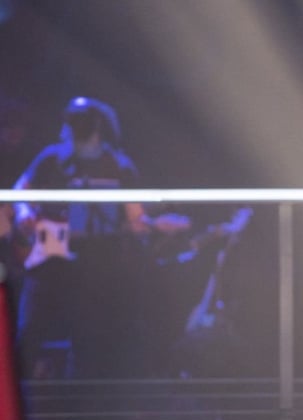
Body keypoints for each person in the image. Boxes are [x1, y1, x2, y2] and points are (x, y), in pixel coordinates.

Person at [11, 96, 189, 379]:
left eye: (80, 123)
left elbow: (135, 217)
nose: (74, 129)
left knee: (88, 338)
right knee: (30, 330)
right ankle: (12, 397)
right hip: (49, 257)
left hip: (96, 264)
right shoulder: (52, 158)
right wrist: (24, 213)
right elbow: (20, 191)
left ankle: (80, 401)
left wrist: (154, 225)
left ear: (97, 126)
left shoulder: (119, 166)